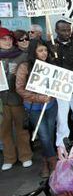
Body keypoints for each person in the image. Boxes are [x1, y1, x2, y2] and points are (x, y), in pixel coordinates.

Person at [16, 39, 58, 178]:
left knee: (50, 135)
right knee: (44, 136)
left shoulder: (51, 65)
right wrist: (40, 98)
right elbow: (20, 89)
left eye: (45, 50)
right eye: (40, 50)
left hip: (51, 106)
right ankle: (53, 163)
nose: (44, 53)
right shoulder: (25, 67)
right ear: (33, 52)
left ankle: (46, 163)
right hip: (34, 107)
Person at [47, 20, 73, 148]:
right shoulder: (49, 45)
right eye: (63, 30)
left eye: (68, 30)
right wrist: (51, 56)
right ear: (56, 30)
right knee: (61, 120)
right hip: (59, 89)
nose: (66, 33)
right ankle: (61, 146)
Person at [0, 28, 32, 171]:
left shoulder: (21, 56)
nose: (7, 42)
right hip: (1, 101)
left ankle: (25, 156)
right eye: (3, 39)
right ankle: (9, 158)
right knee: (4, 130)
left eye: (9, 39)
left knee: (21, 129)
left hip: (18, 98)